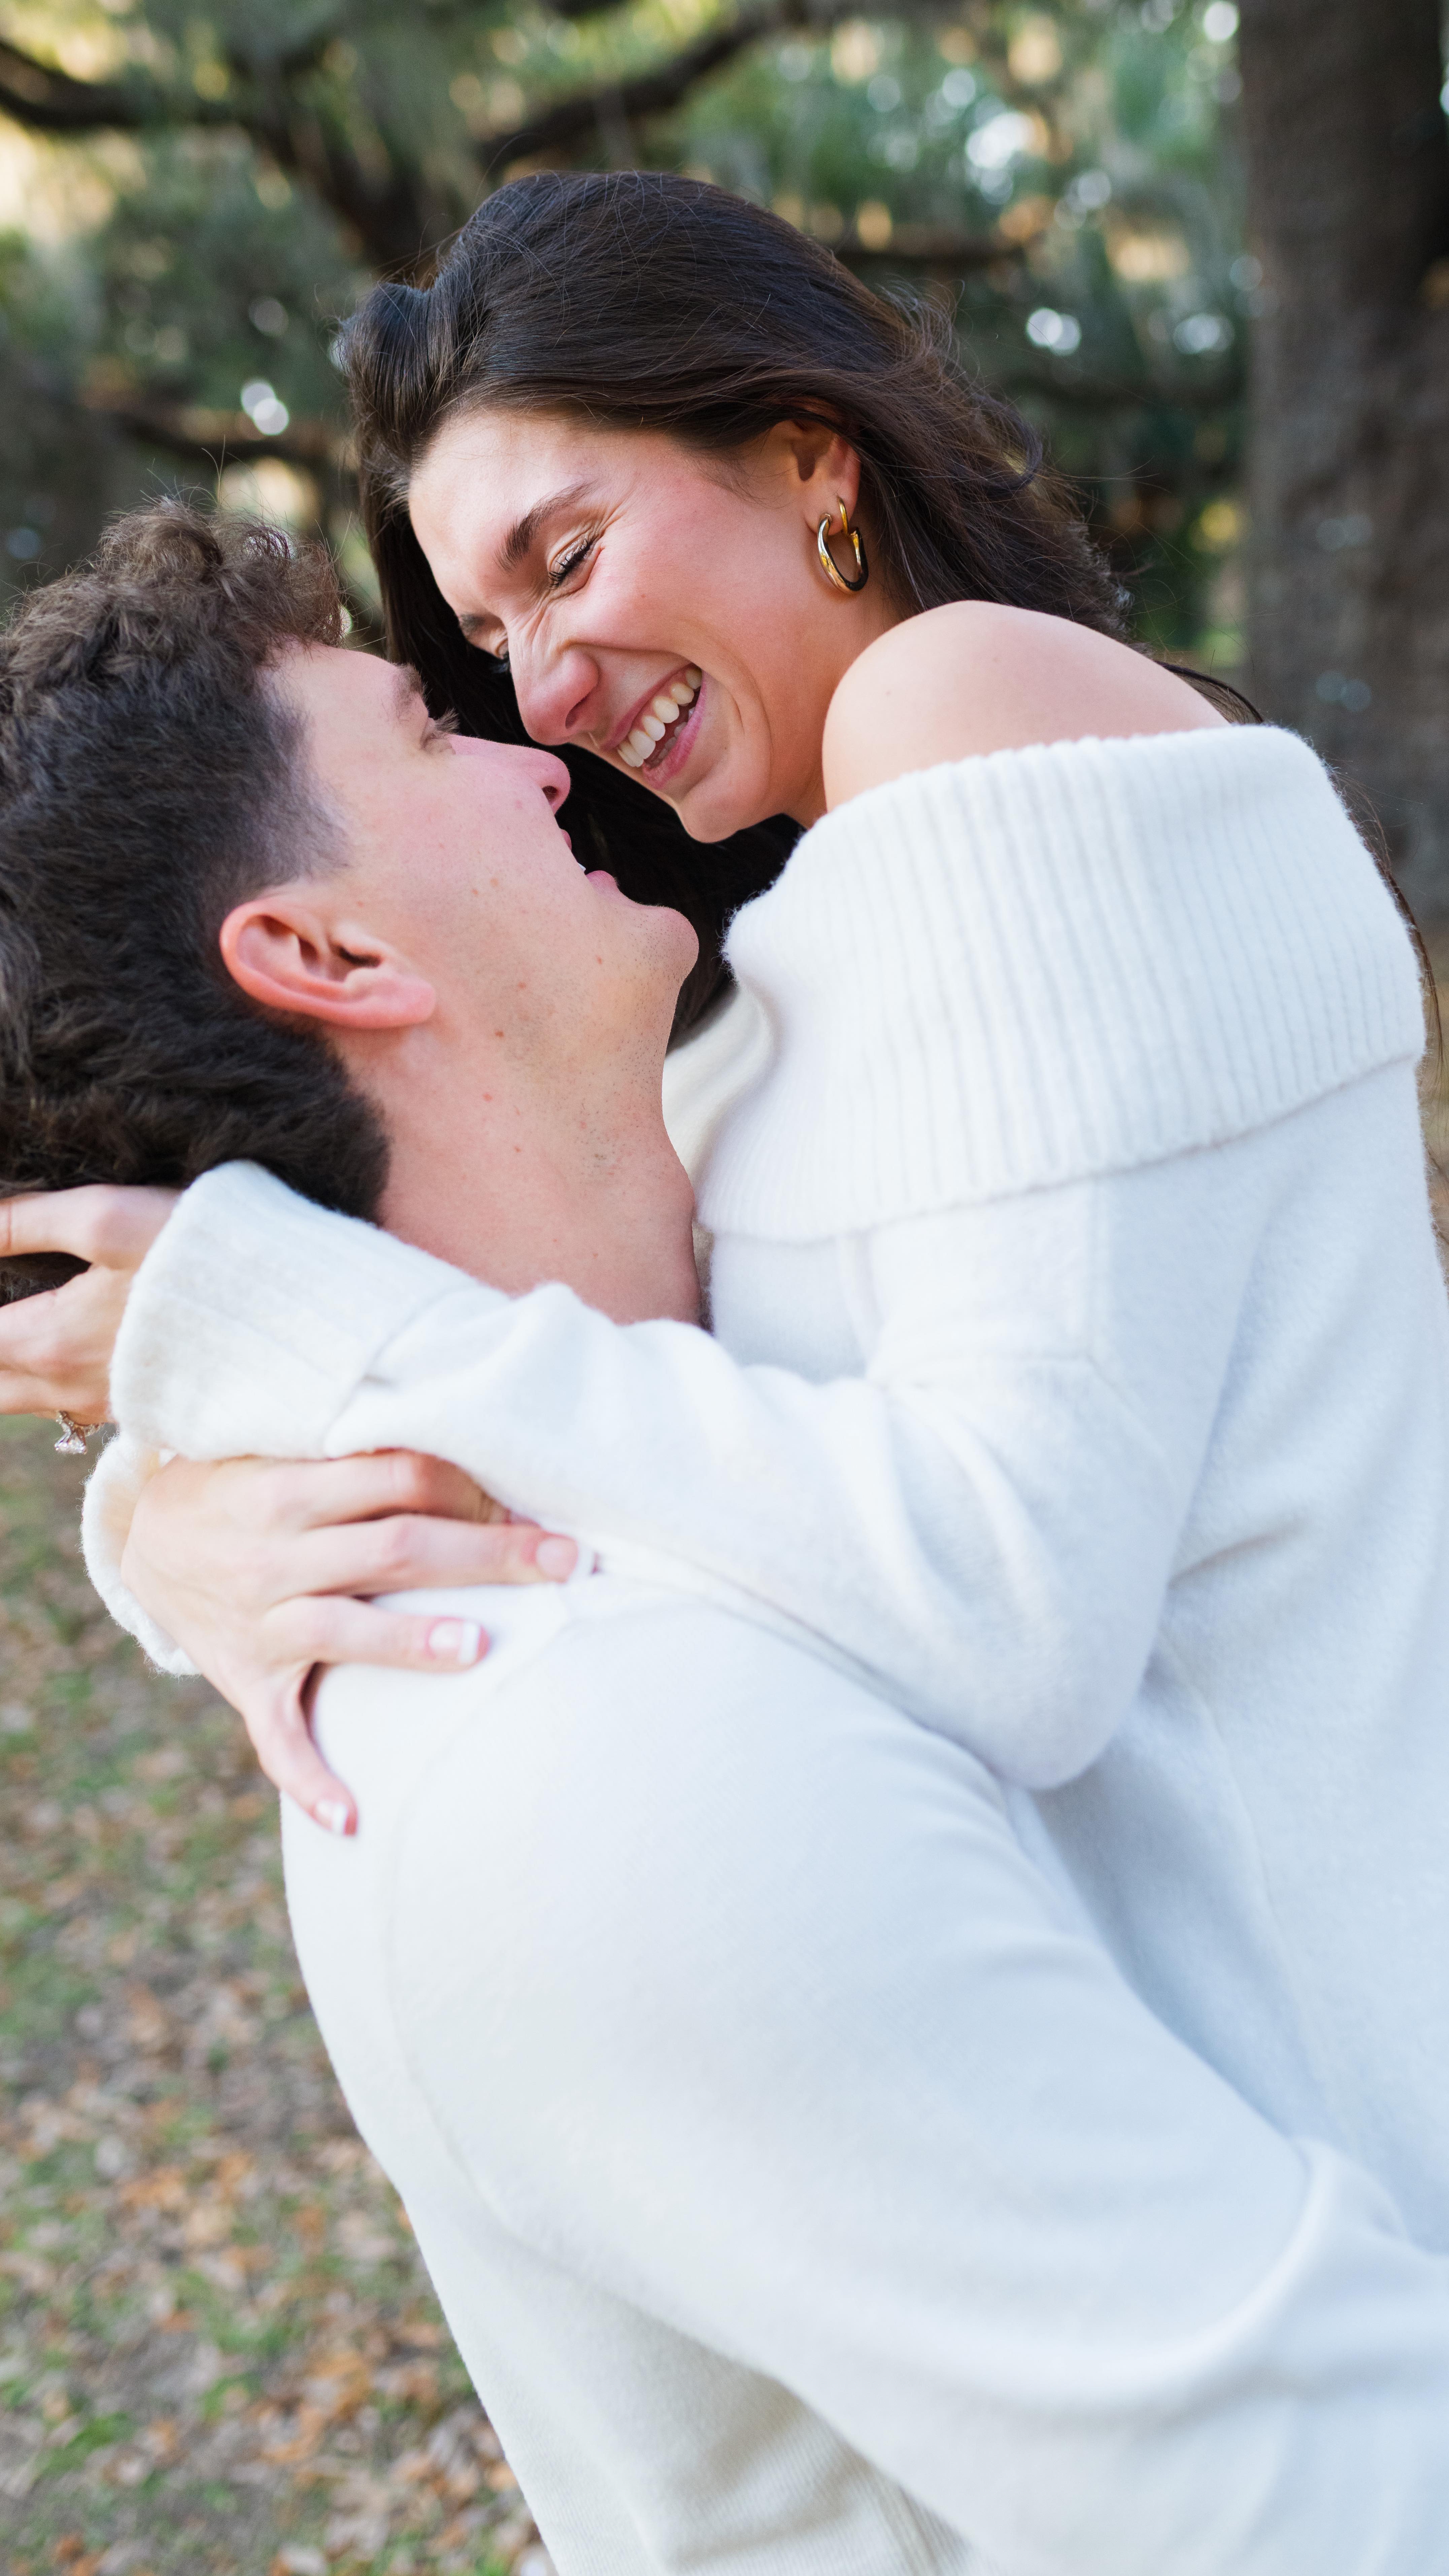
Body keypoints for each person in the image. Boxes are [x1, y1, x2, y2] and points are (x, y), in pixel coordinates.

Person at [5, 502, 1449, 2573]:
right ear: (327, 954)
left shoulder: (688, 1317)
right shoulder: (609, 1753)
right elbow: (1343, 2498)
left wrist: (176, 1466)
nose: (534, 740)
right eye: (433, 724)